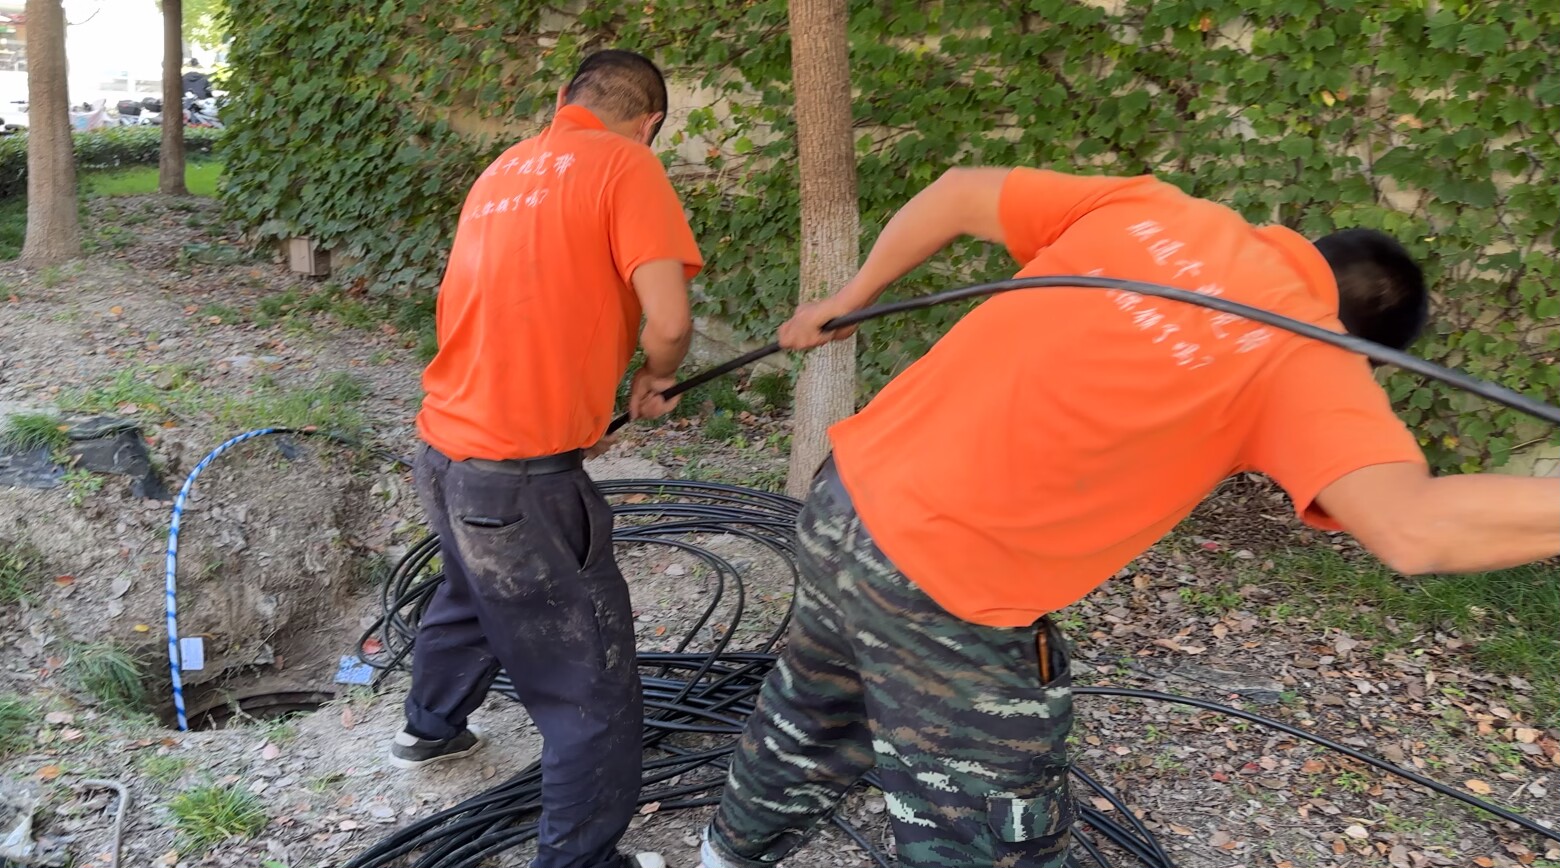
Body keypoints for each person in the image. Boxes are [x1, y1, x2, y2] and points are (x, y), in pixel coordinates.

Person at [697, 166, 1560, 868]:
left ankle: (721, 858)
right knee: (995, 832)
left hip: (842, 500)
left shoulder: (1153, 208)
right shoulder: (1310, 356)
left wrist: (846, 298)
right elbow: (1416, 529)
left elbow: (960, 190)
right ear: (1370, 347)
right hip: (947, 590)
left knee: (812, 711)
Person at [400, 50, 702, 868]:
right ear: (650, 123)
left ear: (562, 98)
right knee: (591, 682)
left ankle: (429, 731)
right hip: (519, 480)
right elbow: (667, 319)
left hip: (443, 447)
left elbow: (517, 309)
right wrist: (659, 375)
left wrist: (577, 407)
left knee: (468, 591)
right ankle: (581, 858)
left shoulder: (503, 170)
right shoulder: (626, 163)